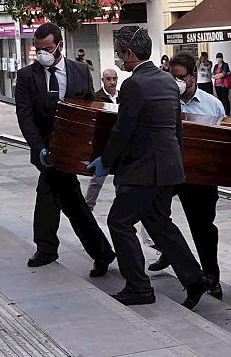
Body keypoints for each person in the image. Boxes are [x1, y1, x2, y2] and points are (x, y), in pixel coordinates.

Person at [87, 26, 211, 309]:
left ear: (129, 52)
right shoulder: (167, 81)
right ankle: (195, 279)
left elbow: (123, 130)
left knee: (119, 222)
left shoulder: (133, 85)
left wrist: (106, 162)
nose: (118, 58)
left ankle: (139, 287)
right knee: (158, 222)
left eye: (119, 53)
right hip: (168, 167)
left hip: (144, 170)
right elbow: (176, 128)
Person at [14, 23, 116, 275]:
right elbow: (24, 116)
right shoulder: (27, 76)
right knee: (63, 196)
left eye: (47, 48)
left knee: (59, 196)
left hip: (72, 149)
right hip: (46, 150)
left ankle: (53, 248)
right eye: (38, 49)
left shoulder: (79, 71)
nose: (42, 54)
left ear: (60, 45)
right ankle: (95, 251)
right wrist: (38, 148)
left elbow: (90, 106)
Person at [148, 52, 225, 300]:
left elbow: (220, 142)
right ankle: (170, 253)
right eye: (172, 77)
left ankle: (211, 277)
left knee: (203, 227)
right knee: (154, 214)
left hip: (199, 177)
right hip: (168, 171)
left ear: (193, 76)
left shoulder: (212, 104)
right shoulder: (162, 100)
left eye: (180, 77)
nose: (176, 82)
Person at [84, 68, 119, 210]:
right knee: (97, 179)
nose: (112, 82)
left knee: (121, 180)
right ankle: (88, 206)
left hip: (120, 143)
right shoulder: (97, 97)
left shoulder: (123, 96)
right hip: (103, 144)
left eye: (114, 79)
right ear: (103, 80)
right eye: (108, 79)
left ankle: (120, 206)